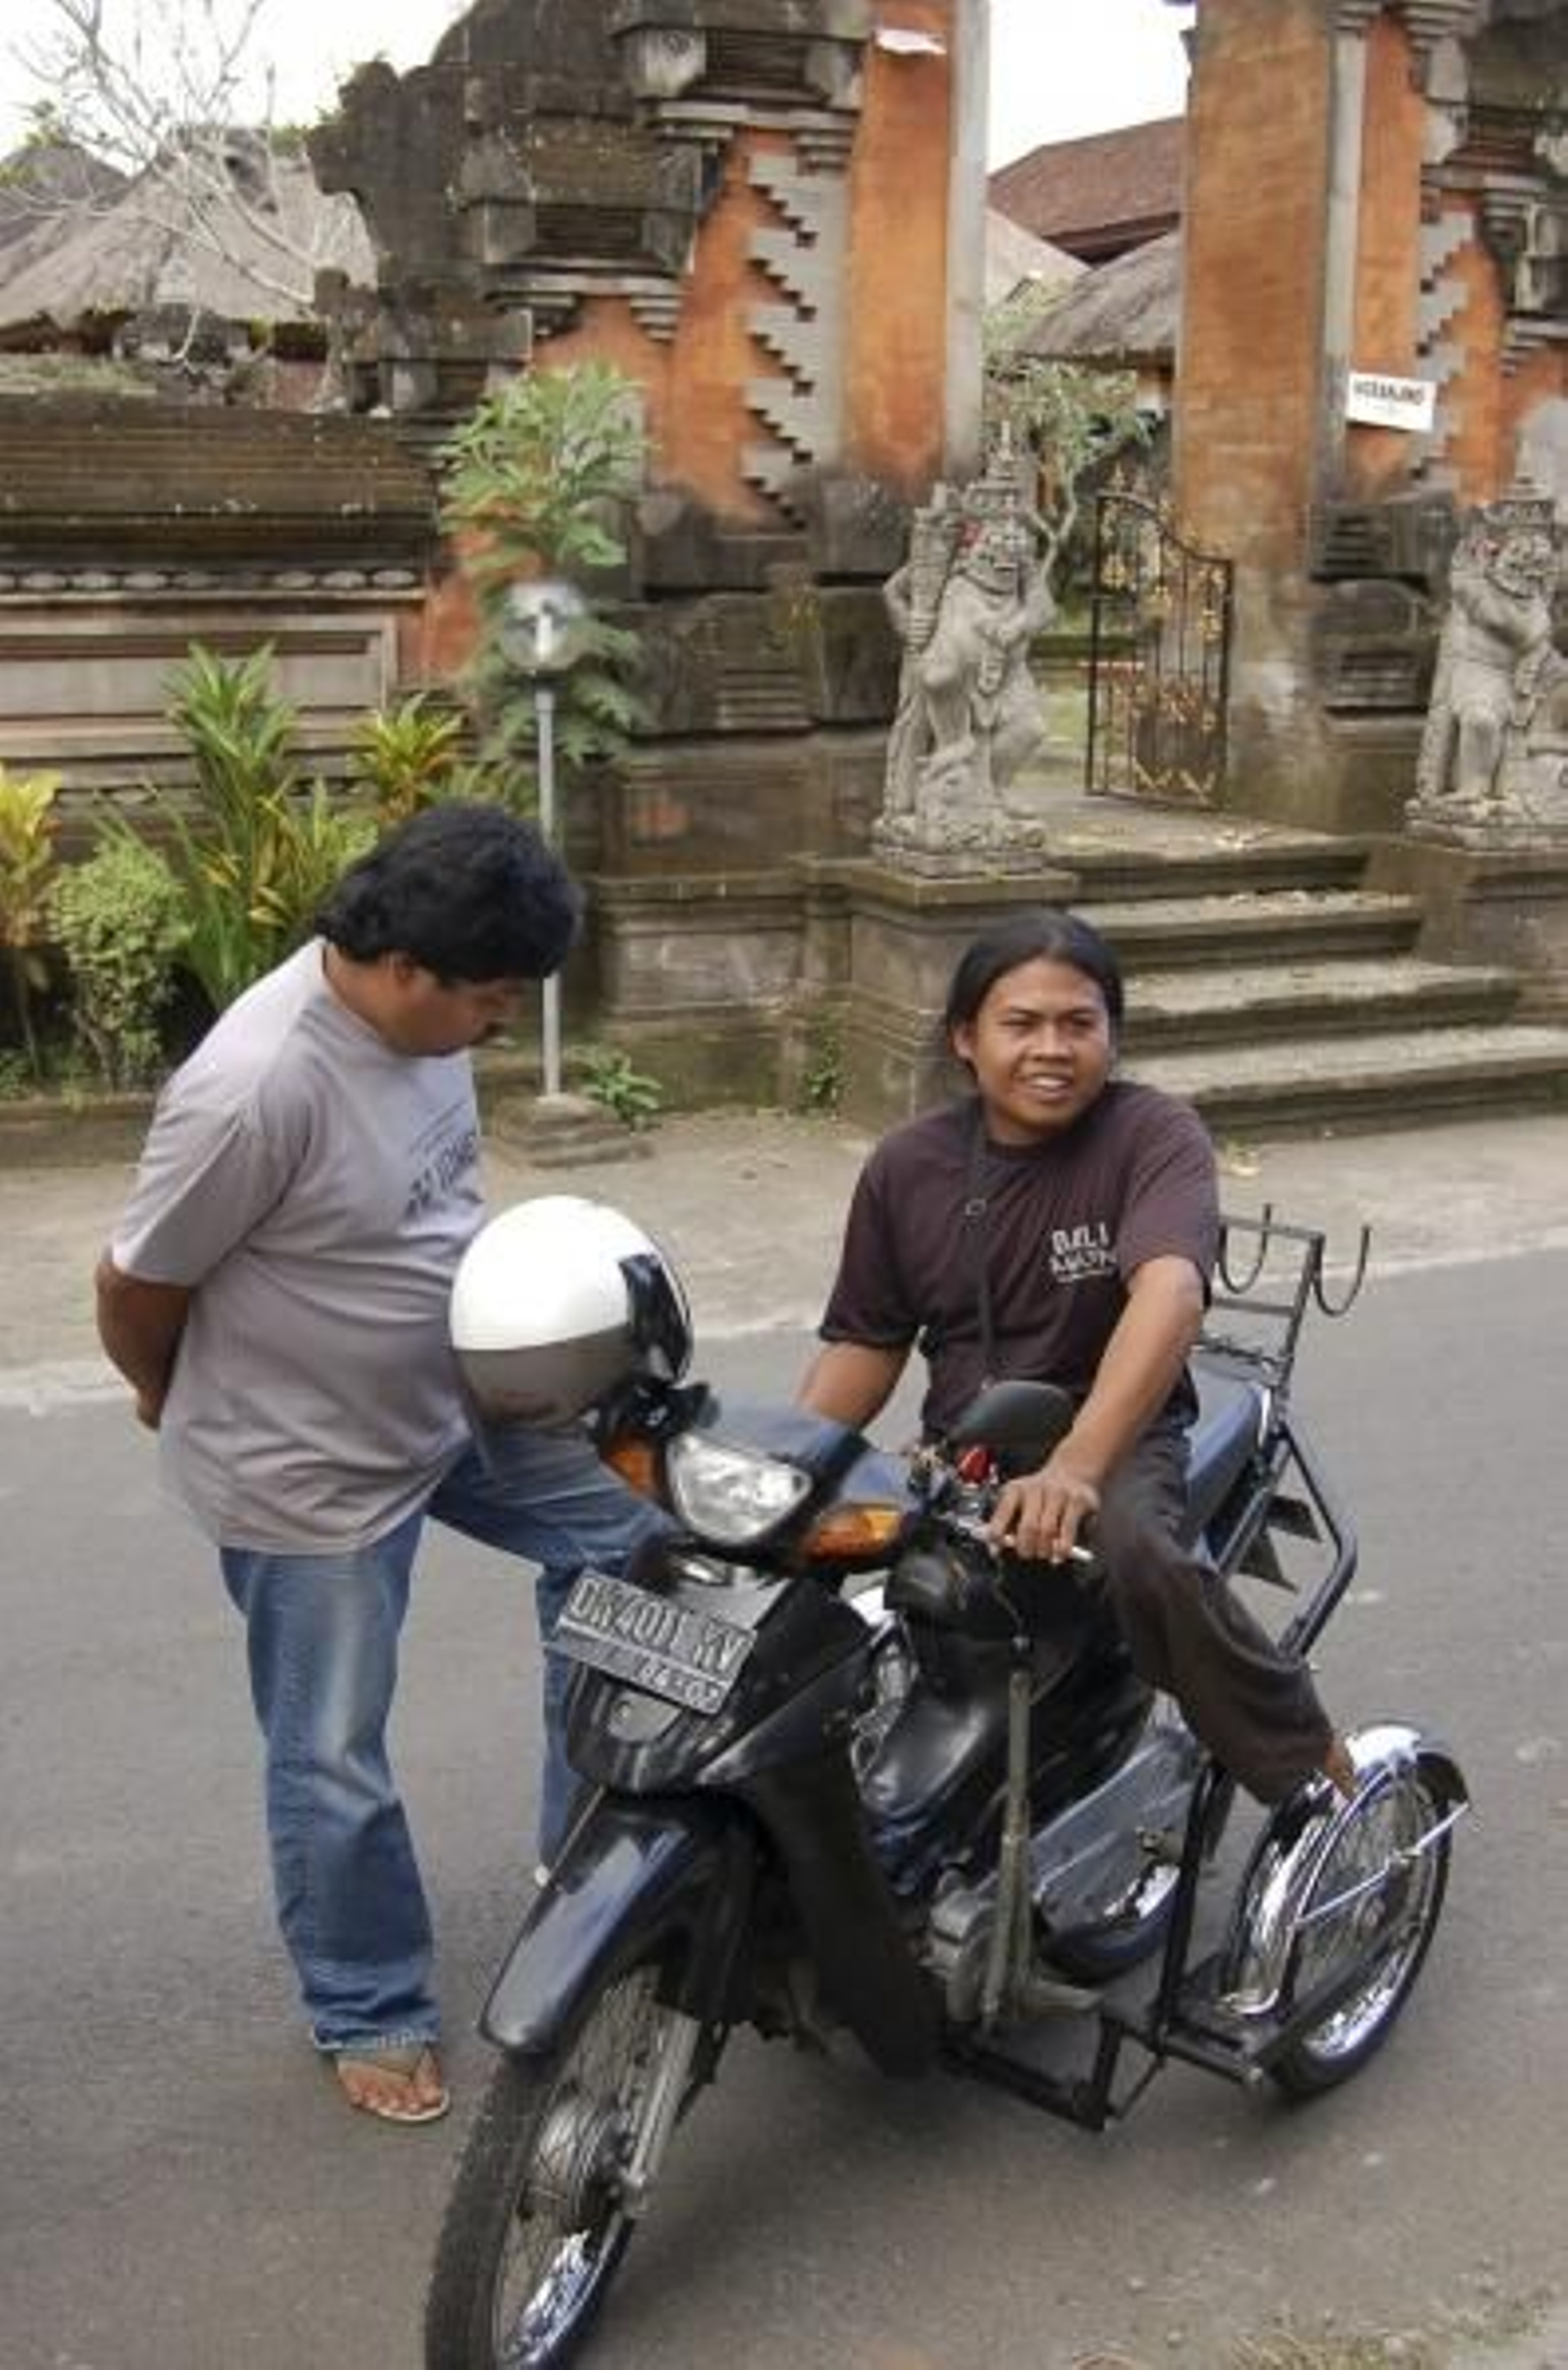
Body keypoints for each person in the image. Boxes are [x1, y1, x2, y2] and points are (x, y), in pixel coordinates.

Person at [95, 802, 661, 2126]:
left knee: (631, 1545)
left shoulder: (421, 1018)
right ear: (405, 970)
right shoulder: (256, 1087)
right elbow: (133, 1281)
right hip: (309, 1468)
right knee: (333, 1748)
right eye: (494, 1000)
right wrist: (162, 1392)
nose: (502, 1026)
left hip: (461, 1397)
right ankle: (366, 1996)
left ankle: (579, 1866)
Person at [799, 909, 1354, 1809]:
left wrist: (1078, 1467)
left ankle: (1306, 1756)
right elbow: (868, 1341)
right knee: (800, 1570)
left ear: (1111, 1036)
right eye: (1021, 1024)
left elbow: (1169, 1291)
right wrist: (787, 1464)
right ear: (965, 1040)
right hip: (967, 1444)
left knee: (1144, 1556)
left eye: (1078, 1024)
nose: (1051, 1048)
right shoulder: (907, 1166)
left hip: (1115, 1431)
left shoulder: (1152, 1134)